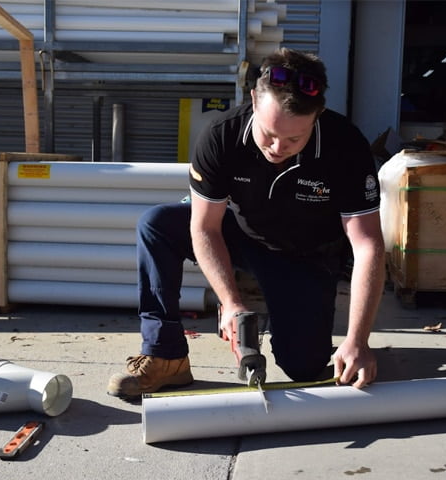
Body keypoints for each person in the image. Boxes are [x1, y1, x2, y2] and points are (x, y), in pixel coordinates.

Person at [107, 48, 386, 400]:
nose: (277, 147)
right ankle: (166, 355)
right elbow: (205, 227)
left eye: (294, 140)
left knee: (303, 366)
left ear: (317, 114)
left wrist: (358, 340)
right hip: (238, 234)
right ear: (254, 99)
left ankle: (301, 330)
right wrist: (231, 302)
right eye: (269, 134)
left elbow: (367, 245)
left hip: (303, 253)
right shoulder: (221, 137)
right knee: (157, 224)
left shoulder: (345, 146)